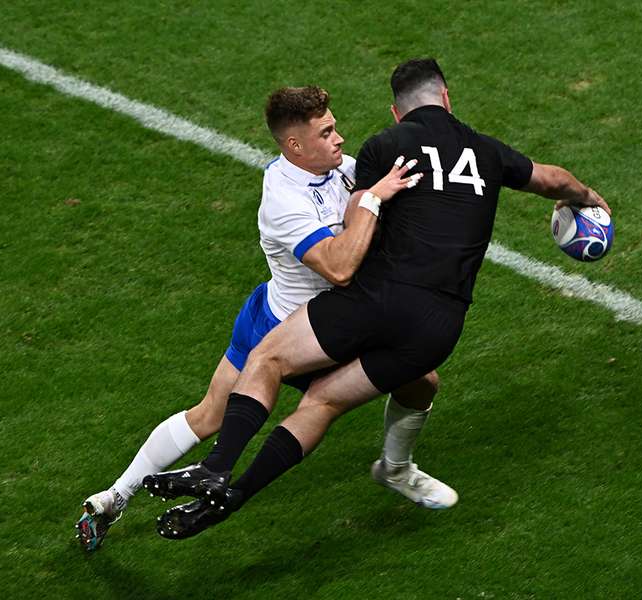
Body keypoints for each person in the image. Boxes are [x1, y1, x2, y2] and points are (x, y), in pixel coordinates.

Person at [149, 58, 611, 539]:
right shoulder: (488, 152)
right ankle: (238, 497)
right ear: (447, 97)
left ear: (397, 112)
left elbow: (351, 237)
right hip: (440, 326)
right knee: (337, 399)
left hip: (379, 301)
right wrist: (583, 197)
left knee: (268, 357)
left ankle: (218, 468)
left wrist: (372, 200)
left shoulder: (387, 148)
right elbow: (552, 179)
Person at [75, 85, 454, 552]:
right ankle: (116, 496)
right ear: (295, 145)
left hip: (316, 316)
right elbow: (338, 268)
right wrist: (374, 201)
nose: (339, 139)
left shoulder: (342, 169)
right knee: (211, 414)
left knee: (421, 382)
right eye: (326, 132)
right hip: (291, 329)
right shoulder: (283, 200)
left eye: (334, 126)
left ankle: (396, 468)